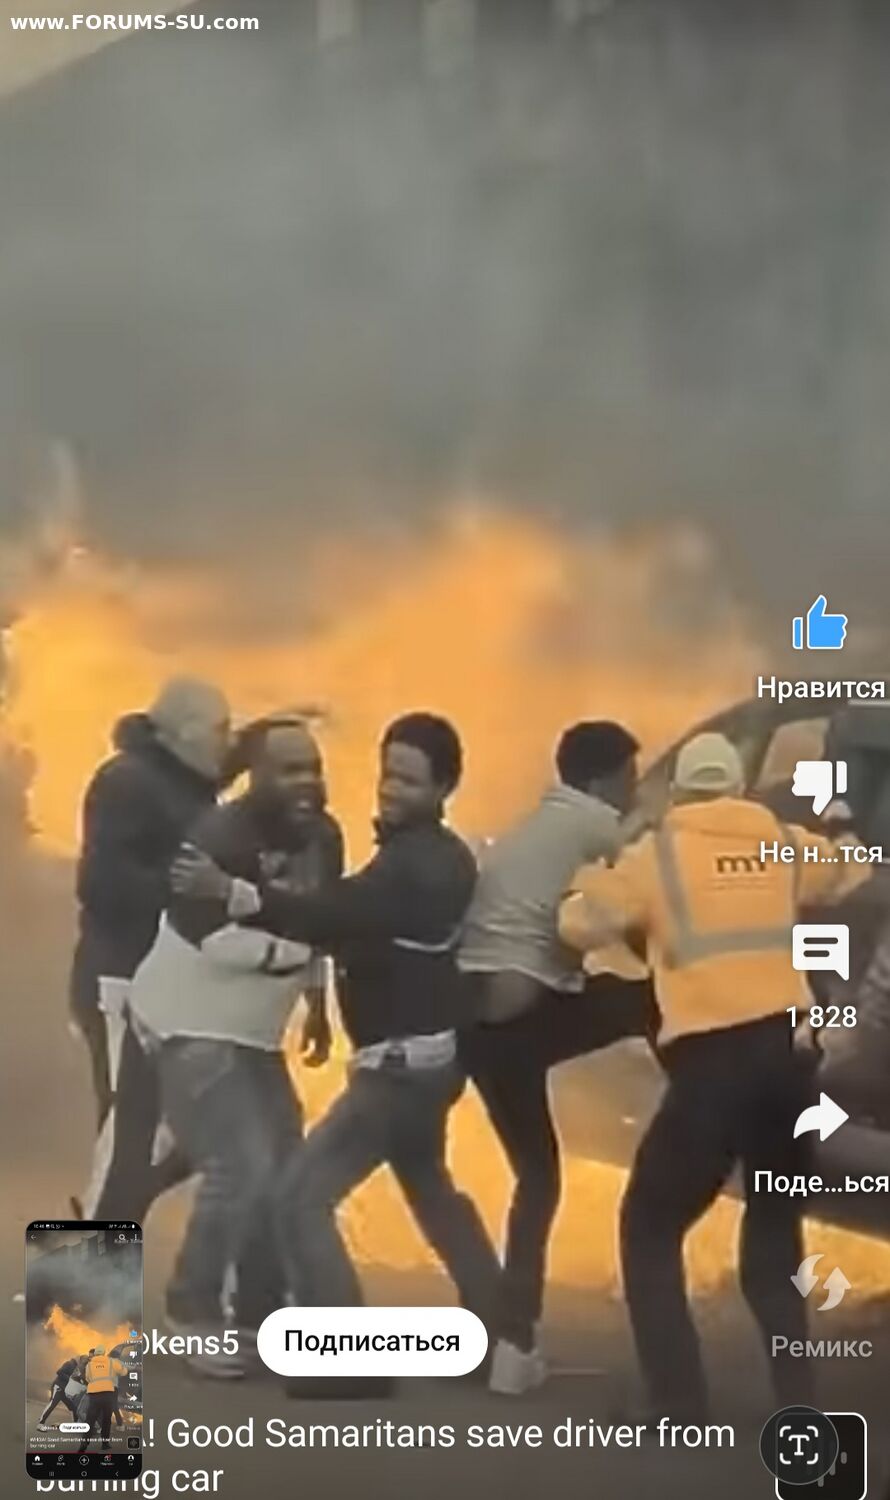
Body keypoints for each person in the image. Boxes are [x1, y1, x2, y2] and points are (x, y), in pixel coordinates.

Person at [558, 731, 867, 1422]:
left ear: (678, 793)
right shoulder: (780, 842)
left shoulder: (657, 853)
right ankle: (799, 1405)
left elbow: (581, 926)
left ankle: (678, 1402)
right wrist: (843, 821)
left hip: (714, 1071)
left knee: (649, 1225)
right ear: (738, 789)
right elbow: (848, 871)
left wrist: (588, 877)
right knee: (773, 1238)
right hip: (790, 1067)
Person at [171, 712, 500, 1344]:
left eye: (409, 780)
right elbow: (336, 918)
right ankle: (506, 1334)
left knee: (292, 1195)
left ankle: (311, 1349)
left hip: (390, 1065)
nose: (389, 789)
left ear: (444, 788)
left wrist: (236, 894)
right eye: (388, 774)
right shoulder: (414, 854)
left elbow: (333, 913)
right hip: (398, 1058)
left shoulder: (412, 862)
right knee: (424, 1189)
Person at [129, 718, 343, 1374]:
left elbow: (320, 921)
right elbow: (217, 941)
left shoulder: (325, 837)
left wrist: (316, 998)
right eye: (290, 768)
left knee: (282, 1166)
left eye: (314, 766)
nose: (307, 781)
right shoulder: (216, 836)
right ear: (255, 775)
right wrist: (293, 951)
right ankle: (187, 1310)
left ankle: (258, 1315)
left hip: (249, 1032)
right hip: (184, 1019)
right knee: (240, 1165)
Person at [458, 720, 655, 1395]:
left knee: (535, 1178)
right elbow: (652, 886)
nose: (635, 791)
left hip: (481, 1030)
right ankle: (704, 1094)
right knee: (646, 998)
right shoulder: (594, 823)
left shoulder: (539, 822)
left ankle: (513, 1343)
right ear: (602, 780)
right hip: (524, 1022)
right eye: (630, 778)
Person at [73, 677, 231, 1223]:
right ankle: (85, 1272)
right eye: (221, 730)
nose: (228, 741)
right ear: (184, 734)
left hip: (159, 990)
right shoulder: (127, 782)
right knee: (124, 1144)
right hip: (119, 983)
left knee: (163, 1139)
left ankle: (110, 1219)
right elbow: (99, 881)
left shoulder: (180, 783)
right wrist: (186, 893)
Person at [76, 1347, 125, 1453]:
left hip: (94, 1395)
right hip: (108, 1394)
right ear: (104, 1353)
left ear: (95, 1354)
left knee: (90, 1420)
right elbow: (123, 1372)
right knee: (106, 1420)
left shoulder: (89, 1365)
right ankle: (105, 1444)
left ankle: (84, 1443)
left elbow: (88, 1378)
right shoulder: (111, 1362)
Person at [37, 1354, 85, 1429]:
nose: (82, 1363)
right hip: (58, 1387)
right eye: (82, 1361)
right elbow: (59, 1372)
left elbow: (78, 1378)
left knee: (73, 1407)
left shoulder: (76, 1368)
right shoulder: (69, 1363)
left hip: (64, 1391)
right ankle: (40, 1424)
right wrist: (70, 1379)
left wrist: (82, 1382)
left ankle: (76, 1424)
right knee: (52, 1405)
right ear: (79, 1360)